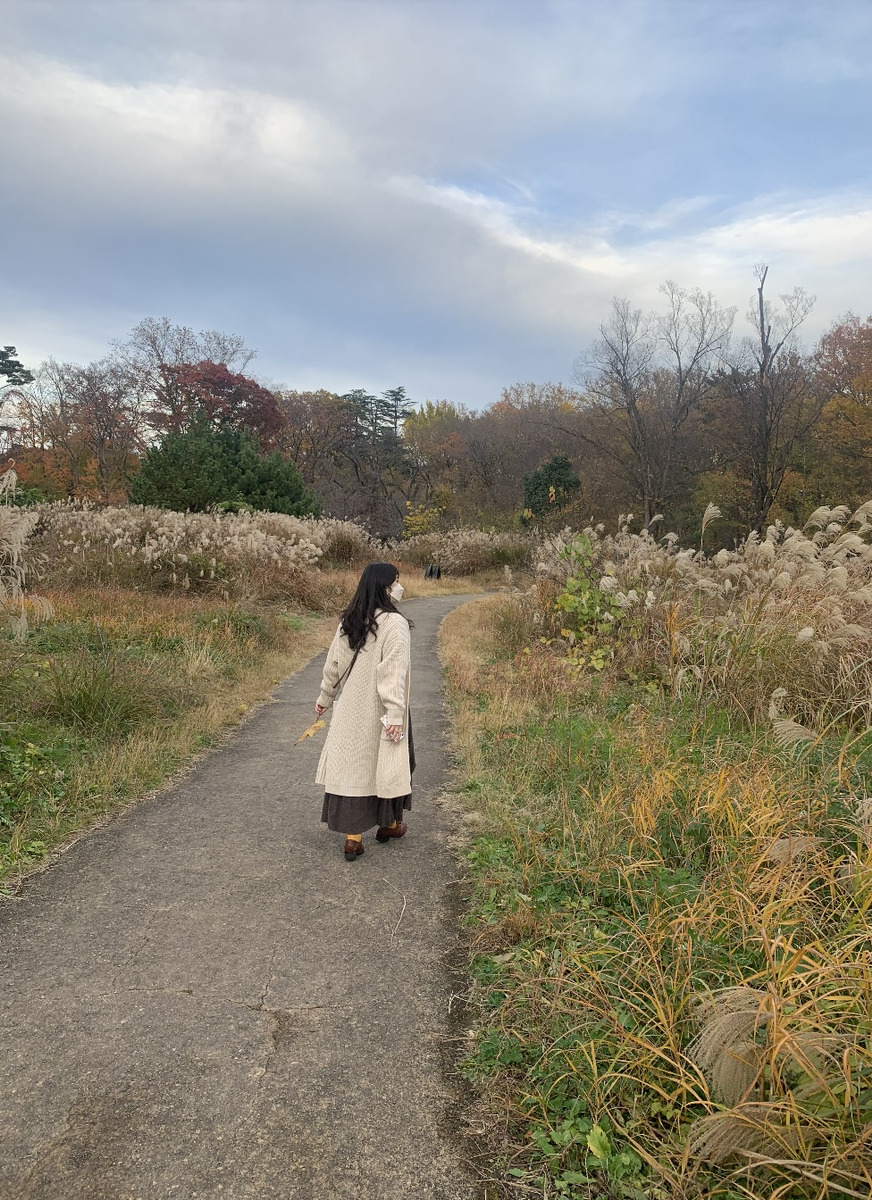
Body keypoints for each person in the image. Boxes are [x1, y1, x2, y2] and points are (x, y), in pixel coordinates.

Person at [314, 563, 414, 861]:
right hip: (384, 709)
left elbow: (333, 664)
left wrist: (325, 697)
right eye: (396, 581)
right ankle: (390, 825)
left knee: (353, 767)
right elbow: (392, 673)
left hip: (349, 709)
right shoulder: (394, 624)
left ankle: (353, 839)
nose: (399, 586)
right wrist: (396, 714)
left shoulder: (351, 619)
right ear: (385, 587)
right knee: (392, 764)